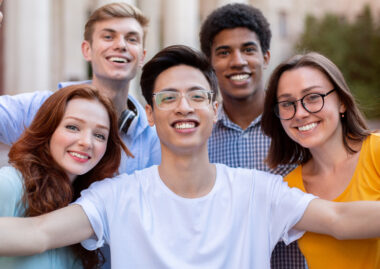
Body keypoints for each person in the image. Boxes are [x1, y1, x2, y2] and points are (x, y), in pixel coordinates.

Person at [1, 45, 380, 269]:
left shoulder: (260, 192)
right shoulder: (114, 196)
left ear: (215, 109)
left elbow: (340, 218)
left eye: (197, 96)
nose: (184, 107)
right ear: (150, 113)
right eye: (168, 98)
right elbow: (39, 233)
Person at [0, 1, 160, 174]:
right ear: (87, 50)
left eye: (131, 39)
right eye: (108, 37)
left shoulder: (154, 138)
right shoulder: (41, 107)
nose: (121, 45)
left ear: (142, 57)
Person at [199, 3, 304, 268]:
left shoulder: (299, 126)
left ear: (266, 57)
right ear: (210, 64)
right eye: (224, 52)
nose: (238, 61)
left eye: (248, 49)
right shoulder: (198, 137)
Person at [261, 52, 380, 268]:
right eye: (287, 104)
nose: (300, 113)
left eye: (313, 97)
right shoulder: (289, 186)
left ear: (342, 102)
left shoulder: (376, 151)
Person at [0, 84, 129, 268]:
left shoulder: (92, 202)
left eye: (99, 135)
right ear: (49, 129)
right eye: (73, 127)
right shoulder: (10, 184)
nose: (86, 142)